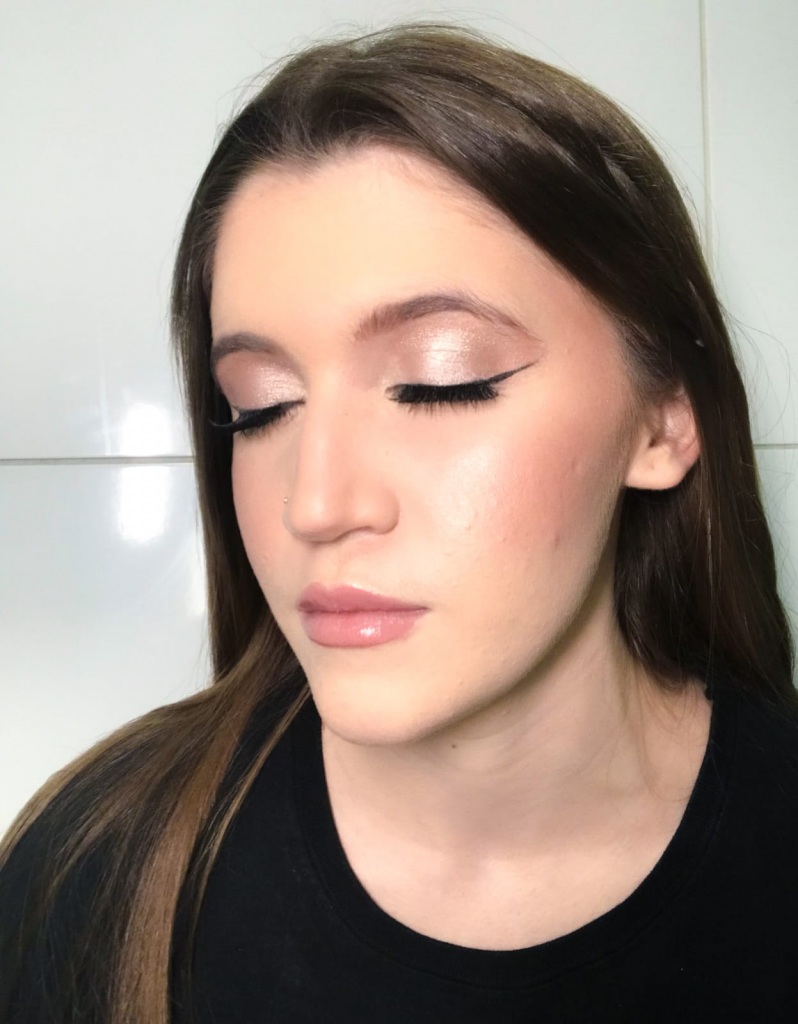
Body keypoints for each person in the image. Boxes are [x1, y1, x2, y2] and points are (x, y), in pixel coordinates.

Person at [1, 21, 797, 1023]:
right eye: (259, 407)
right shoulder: (88, 876)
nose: (317, 504)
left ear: (664, 420)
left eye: (439, 382)